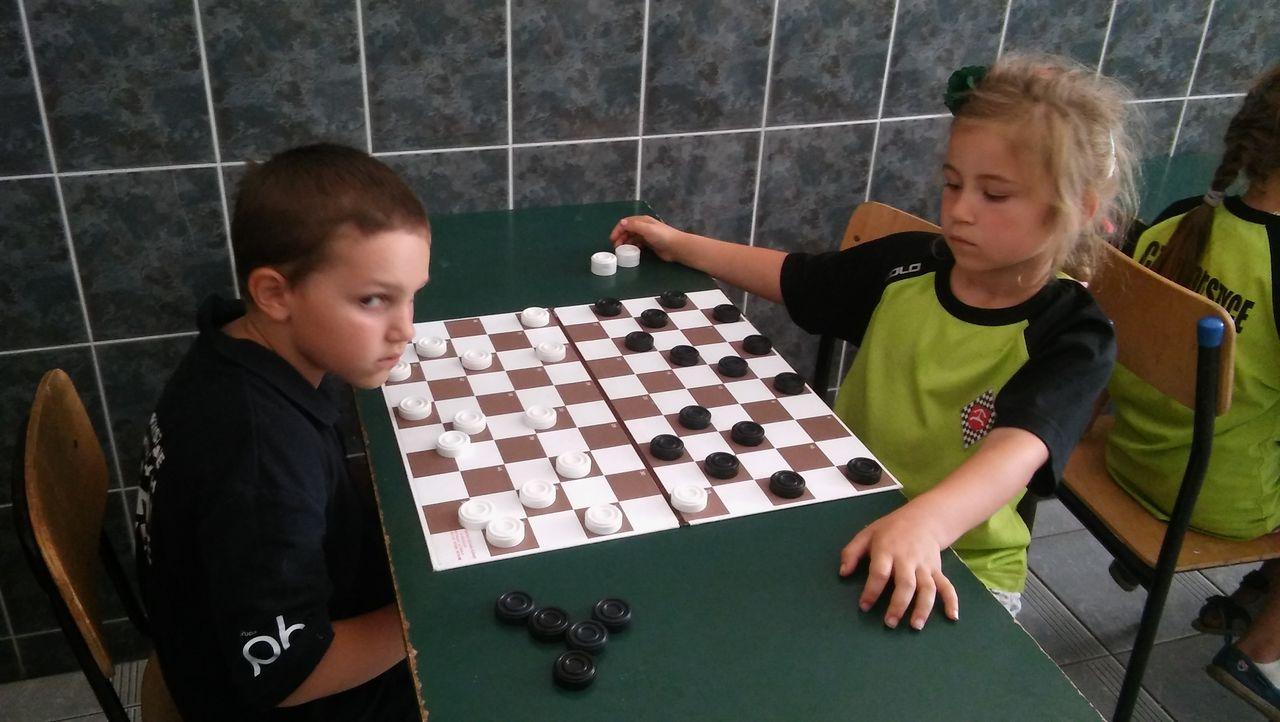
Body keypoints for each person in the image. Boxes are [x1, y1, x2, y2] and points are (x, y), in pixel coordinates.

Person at [609, 54, 1131, 628]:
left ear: (1077, 209)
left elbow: (1016, 452)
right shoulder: (908, 266)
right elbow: (797, 278)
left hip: (962, 566)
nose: (960, 211)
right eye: (953, 184)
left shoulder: (1074, 335)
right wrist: (682, 244)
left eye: (995, 195)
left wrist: (925, 523)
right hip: (836, 505)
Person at [134, 143, 431, 721]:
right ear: (274, 294)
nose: (405, 331)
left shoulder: (236, 349)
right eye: (373, 300)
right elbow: (288, 676)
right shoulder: (260, 460)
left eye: (411, 296)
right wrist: (428, 612)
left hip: (243, 627)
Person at [1106, 64, 1280, 718]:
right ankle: (1264, 653)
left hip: (1130, 455)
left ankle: (1251, 596)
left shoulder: (1180, 219)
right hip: (1213, 498)